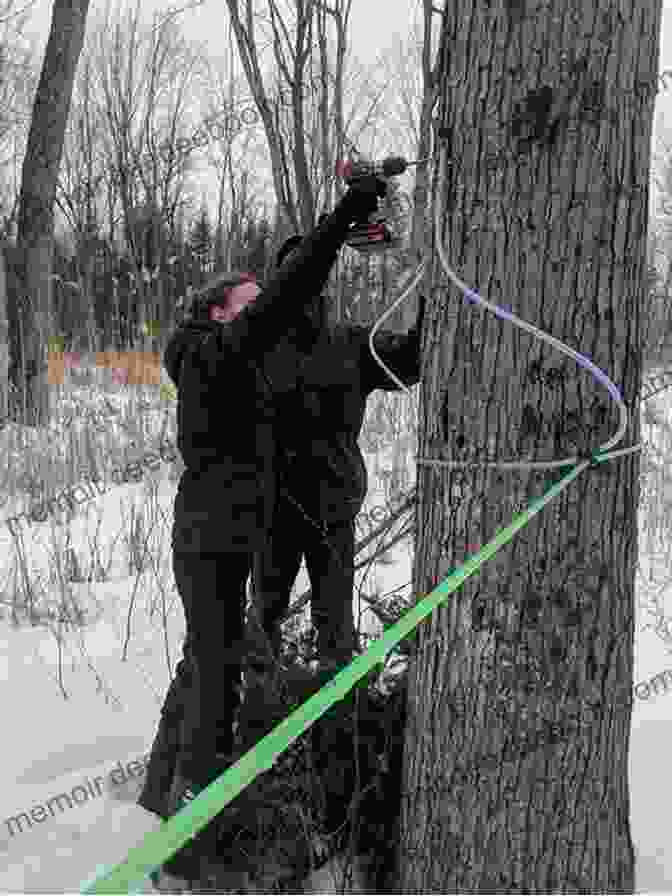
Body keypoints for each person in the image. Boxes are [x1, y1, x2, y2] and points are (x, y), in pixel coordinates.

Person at [136, 175, 388, 886]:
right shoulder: (218, 356)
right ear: (220, 312)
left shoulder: (222, 357)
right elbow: (287, 292)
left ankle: (159, 796)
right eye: (249, 301)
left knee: (204, 665)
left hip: (218, 538)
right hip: (214, 543)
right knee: (218, 690)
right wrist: (344, 217)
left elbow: (296, 312)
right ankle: (189, 853)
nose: (265, 310)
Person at [251, 234, 425, 674]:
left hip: (332, 508)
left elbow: (409, 361)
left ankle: (335, 717)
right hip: (270, 510)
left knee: (334, 622)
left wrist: (430, 305)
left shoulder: (350, 343)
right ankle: (257, 710)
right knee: (263, 616)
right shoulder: (252, 347)